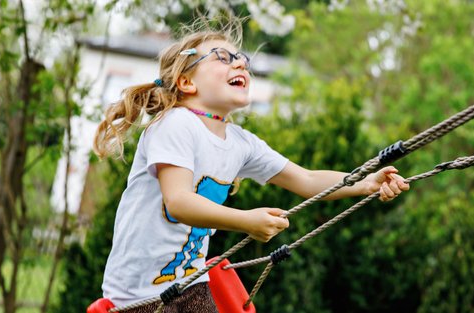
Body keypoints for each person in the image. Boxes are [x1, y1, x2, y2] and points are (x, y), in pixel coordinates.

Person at [93, 23, 410, 313]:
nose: (240, 62)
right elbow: (179, 203)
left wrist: (365, 182)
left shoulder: (241, 143)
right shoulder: (175, 125)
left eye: (240, 58)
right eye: (222, 57)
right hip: (137, 296)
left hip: (192, 285)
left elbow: (308, 178)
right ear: (186, 82)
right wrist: (246, 220)